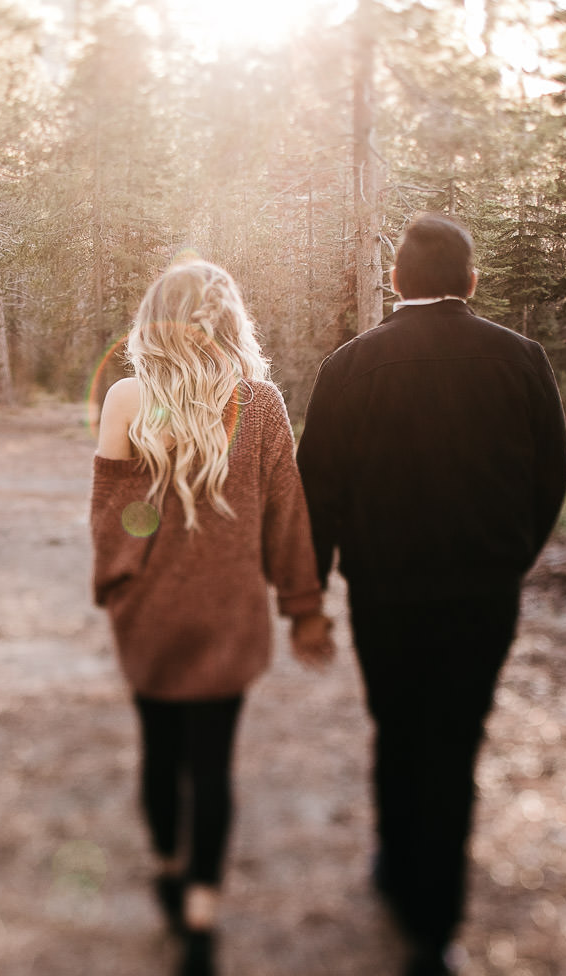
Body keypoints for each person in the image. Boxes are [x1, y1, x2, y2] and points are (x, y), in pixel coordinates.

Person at [296, 213, 566, 976]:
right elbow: (552, 479)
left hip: (385, 591)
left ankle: (396, 859)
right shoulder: (521, 360)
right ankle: (433, 925)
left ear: (396, 282)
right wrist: (512, 557)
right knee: (454, 742)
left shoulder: (349, 367)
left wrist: (310, 592)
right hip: (483, 594)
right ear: (471, 282)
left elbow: (314, 492)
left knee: (397, 723)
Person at [91, 259, 335, 976]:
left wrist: (117, 585)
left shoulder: (127, 399)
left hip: (151, 612)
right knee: (214, 766)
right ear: (230, 320)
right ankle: (201, 914)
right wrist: (302, 608)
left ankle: (168, 866)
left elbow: (114, 518)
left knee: (159, 751)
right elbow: (289, 521)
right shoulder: (259, 402)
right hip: (230, 612)